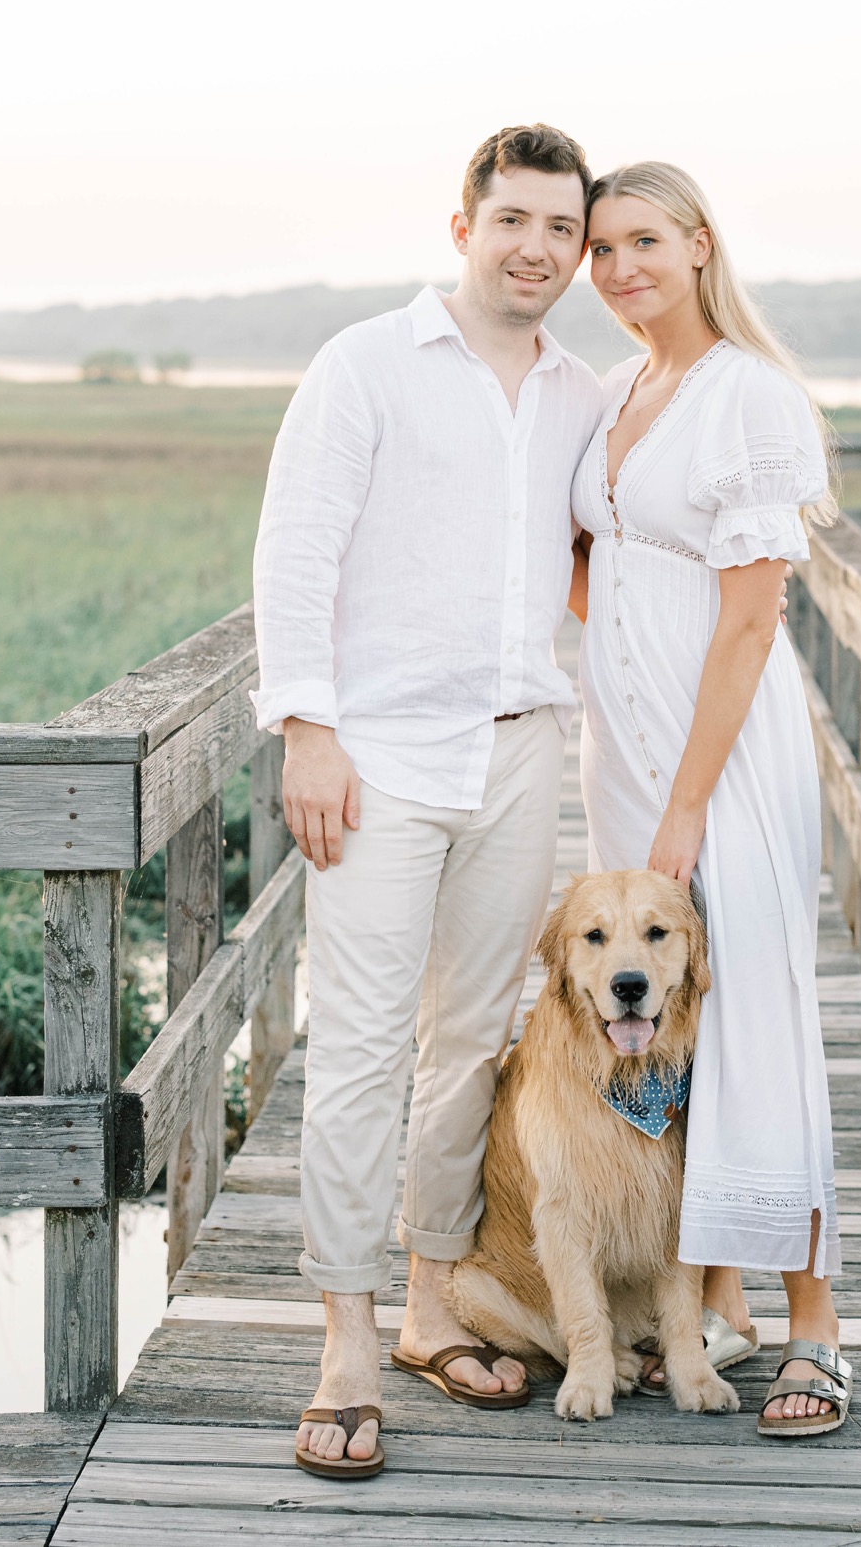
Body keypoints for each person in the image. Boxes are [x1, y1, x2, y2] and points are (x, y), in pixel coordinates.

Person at [252, 123, 605, 1479]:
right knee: (355, 1047)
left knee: (469, 1041)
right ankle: (345, 1340)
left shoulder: (580, 391)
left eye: (560, 230)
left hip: (520, 755)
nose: (537, 249)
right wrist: (308, 729)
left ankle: (428, 1302)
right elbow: (297, 551)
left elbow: (598, 551)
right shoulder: (366, 366)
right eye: (513, 219)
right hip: (380, 757)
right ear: (462, 223)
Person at [568, 160, 850, 1438]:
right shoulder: (625, 388)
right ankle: (715, 1302)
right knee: (668, 1029)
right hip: (622, 755)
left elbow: (745, 622)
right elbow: (609, 578)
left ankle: (814, 1322)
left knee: (759, 1014)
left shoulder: (746, 395)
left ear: (698, 244)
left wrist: (685, 805)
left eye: (644, 242)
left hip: (719, 759)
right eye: (602, 250)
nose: (621, 269)